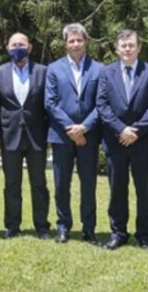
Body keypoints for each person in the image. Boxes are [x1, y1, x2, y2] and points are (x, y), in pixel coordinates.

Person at [96, 29, 148, 250]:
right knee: (117, 189)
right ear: (117, 49)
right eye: (123, 46)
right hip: (116, 142)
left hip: (143, 143)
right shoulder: (106, 73)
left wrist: (136, 130)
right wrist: (121, 130)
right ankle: (118, 233)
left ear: (139, 47)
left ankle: (144, 235)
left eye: (131, 45)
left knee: (144, 190)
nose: (127, 49)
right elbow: (102, 106)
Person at [45, 23, 104, 244]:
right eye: (71, 40)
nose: (76, 44)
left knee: (88, 184)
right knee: (61, 184)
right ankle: (63, 226)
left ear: (86, 42)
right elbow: (50, 103)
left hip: (89, 136)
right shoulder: (54, 69)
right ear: (65, 44)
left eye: (80, 40)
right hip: (61, 136)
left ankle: (89, 229)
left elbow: (102, 103)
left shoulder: (99, 69)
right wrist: (71, 128)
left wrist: (84, 128)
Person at [0, 32, 51, 239]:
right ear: (7, 48)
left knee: (39, 184)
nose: (18, 48)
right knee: (12, 184)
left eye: (22, 44)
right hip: (9, 135)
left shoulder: (43, 72)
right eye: (14, 44)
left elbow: (48, 106)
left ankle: (42, 226)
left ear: (30, 47)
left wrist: (50, 134)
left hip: (37, 136)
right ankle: (12, 225)